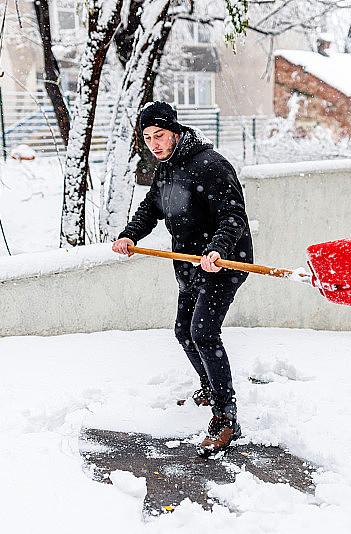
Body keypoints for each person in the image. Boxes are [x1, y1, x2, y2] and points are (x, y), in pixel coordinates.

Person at [111, 101, 253, 454]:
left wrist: (218, 249)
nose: (154, 144)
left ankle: (226, 417)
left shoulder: (210, 165)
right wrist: (131, 235)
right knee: (183, 332)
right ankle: (210, 385)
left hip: (224, 263)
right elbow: (151, 208)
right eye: (147, 138)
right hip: (189, 263)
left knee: (203, 332)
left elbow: (233, 215)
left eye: (159, 135)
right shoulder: (166, 169)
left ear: (175, 132)